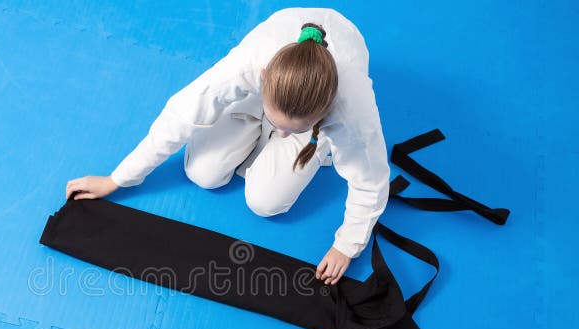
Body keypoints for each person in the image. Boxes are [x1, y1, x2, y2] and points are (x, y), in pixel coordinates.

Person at [65, 8, 390, 286]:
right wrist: (116, 179)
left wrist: (347, 245)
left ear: (326, 112)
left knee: (266, 202)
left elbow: (370, 179)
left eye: (295, 128)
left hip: (314, 90)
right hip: (262, 94)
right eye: (278, 125)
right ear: (263, 78)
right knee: (201, 173)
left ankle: (294, 129)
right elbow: (177, 120)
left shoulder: (350, 110)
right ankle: (273, 118)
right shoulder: (246, 66)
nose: (282, 132)